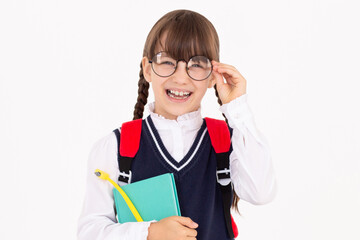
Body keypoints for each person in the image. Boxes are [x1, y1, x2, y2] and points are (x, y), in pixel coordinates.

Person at [77, 9, 277, 240]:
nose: (181, 77)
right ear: (147, 68)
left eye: (196, 64)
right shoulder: (116, 146)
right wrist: (149, 232)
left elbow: (261, 192)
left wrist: (237, 108)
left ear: (213, 75)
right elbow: (89, 232)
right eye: (167, 61)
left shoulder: (228, 140)